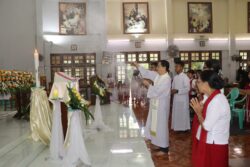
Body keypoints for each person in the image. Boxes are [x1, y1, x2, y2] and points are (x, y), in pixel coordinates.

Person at [190, 70, 230, 167]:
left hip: (214, 143)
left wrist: (199, 113)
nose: (196, 84)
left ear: (206, 83)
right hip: (209, 140)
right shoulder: (210, 96)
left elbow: (206, 127)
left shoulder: (217, 101)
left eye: (198, 82)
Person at [132, 60, 171, 155]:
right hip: (155, 105)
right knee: (155, 125)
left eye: (158, 66)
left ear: (164, 67)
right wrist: (138, 65)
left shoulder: (166, 79)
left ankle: (164, 148)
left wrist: (148, 85)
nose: (157, 68)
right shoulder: (158, 75)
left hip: (161, 106)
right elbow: (147, 73)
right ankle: (158, 143)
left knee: (161, 126)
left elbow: (158, 91)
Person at [171, 61, 191, 131]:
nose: (175, 68)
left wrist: (177, 91)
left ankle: (184, 128)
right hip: (176, 98)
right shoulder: (175, 77)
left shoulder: (185, 77)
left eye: (177, 66)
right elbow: (172, 87)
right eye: (175, 66)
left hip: (183, 99)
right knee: (176, 113)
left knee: (182, 113)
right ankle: (177, 127)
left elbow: (187, 89)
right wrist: (172, 91)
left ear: (182, 68)